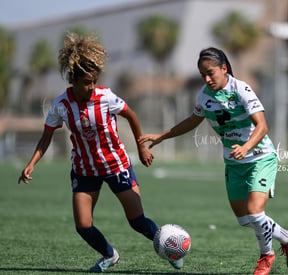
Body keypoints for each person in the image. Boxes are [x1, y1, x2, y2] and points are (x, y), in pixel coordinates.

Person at [17, 32, 182, 273]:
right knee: (83, 226)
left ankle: (169, 247)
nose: (91, 86)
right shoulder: (60, 106)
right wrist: (32, 163)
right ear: (72, 79)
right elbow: (46, 138)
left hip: (116, 165)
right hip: (85, 170)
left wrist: (141, 146)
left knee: (137, 221)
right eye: (86, 82)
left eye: (94, 81)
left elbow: (131, 116)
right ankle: (109, 254)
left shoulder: (105, 97)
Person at [139, 47, 288, 275]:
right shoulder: (205, 95)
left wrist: (245, 147)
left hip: (260, 157)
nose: (207, 78)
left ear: (224, 68)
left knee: (255, 213)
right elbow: (192, 121)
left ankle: (266, 256)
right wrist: (162, 136)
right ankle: (287, 236)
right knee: (245, 220)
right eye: (203, 74)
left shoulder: (241, 89)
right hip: (234, 163)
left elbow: (262, 126)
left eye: (211, 72)